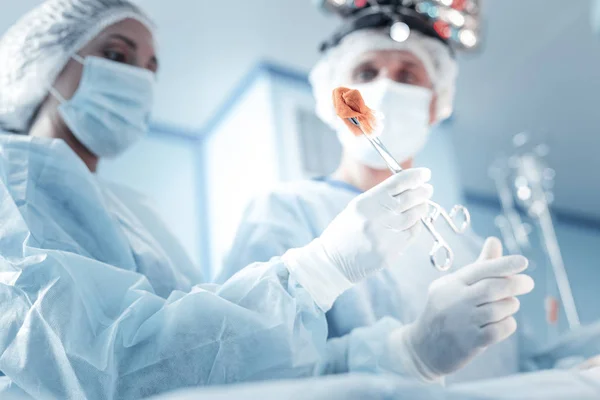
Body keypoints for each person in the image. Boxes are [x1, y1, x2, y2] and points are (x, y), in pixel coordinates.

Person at [0, 1, 535, 398]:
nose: (138, 80)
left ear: (439, 100)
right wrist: (323, 269)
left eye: (150, 66)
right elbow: (108, 366)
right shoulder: (10, 180)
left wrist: (409, 351)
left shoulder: (140, 218)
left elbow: (217, 360)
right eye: (116, 56)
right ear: (45, 62)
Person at [217, 4, 600, 382]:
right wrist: (410, 352)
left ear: (435, 104)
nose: (386, 87)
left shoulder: (465, 243)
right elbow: (249, 366)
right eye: (366, 72)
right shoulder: (285, 211)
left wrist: (573, 375)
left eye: (408, 75)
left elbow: (512, 367)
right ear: (336, 101)